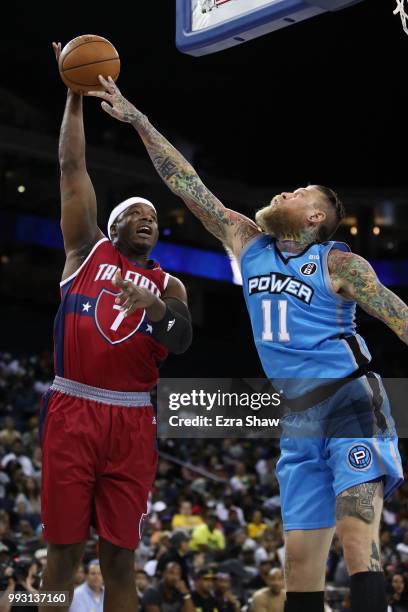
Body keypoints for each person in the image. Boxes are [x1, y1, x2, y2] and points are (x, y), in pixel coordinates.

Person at [87, 75, 408, 612]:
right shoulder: (247, 242)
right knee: (299, 567)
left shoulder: (338, 263)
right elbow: (185, 182)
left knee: (358, 541)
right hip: (296, 418)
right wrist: (138, 120)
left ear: (315, 217)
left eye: (299, 191)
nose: (283, 190)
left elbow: (401, 319)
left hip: (352, 401)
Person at [39, 45, 193, 612]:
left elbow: (180, 341)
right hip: (74, 408)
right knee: (62, 553)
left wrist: (152, 307)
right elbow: (70, 169)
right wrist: (75, 98)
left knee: (120, 559)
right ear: (113, 223)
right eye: (137, 211)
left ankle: (20, 602)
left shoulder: (171, 286)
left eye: (154, 215)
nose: (148, 217)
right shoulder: (86, 249)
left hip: (132, 417)